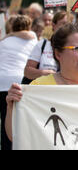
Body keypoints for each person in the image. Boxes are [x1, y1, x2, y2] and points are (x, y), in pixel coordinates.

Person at [5, 23, 78, 143]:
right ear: (58, 54)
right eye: (77, 48)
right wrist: (11, 108)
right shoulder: (39, 87)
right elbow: (15, 135)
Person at [0, 15, 37, 150]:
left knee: (5, 121)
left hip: (2, 83)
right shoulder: (34, 40)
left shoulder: (4, 42)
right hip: (19, 83)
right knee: (20, 123)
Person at [23, 11, 69, 82]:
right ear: (53, 25)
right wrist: (43, 73)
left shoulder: (74, 47)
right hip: (42, 89)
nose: (66, 28)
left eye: (68, 25)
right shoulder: (42, 44)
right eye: (63, 24)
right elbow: (27, 71)